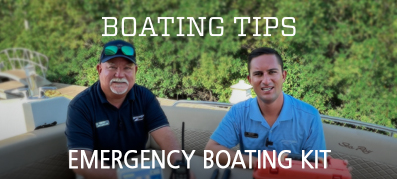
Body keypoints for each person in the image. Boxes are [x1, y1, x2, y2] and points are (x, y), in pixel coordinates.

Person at [65, 40, 189, 178]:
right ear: (100, 70)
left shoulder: (145, 97)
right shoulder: (81, 105)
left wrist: (180, 167)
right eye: (112, 67)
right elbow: (80, 162)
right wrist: (124, 176)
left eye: (127, 68)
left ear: (135, 71)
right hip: (98, 173)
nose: (119, 74)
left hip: (135, 165)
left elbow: (166, 136)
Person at [205, 47, 326, 168]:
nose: (266, 81)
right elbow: (210, 151)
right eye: (258, 74)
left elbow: (317, 166)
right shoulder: (238, 112)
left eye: (272, 72)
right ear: (250, 80)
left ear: (283, 76)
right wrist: (263, 164)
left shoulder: (310, 116)